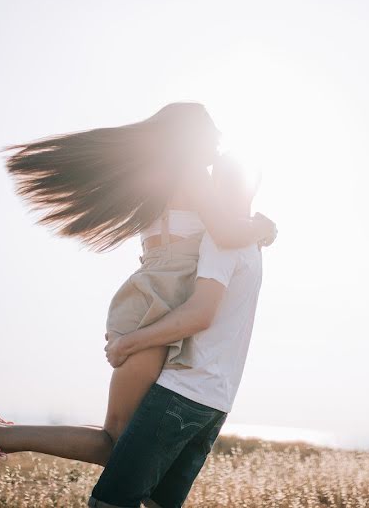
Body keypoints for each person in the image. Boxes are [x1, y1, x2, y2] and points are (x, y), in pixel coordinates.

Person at [0, 103, 276, 495]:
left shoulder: (166, 178)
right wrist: (261, 227)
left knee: (119, 441)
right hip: (155, 307)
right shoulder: (190, 174)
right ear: (191, 136)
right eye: (213, 130)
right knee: (119, 445)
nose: (220, 140)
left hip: (151, 304)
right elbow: (224, 229)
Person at [90, 154, 266, 508]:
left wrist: (128, 342)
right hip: (216, 403)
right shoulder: (250, 244)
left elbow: (200, 314)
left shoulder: (222, 239)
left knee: (110, 494)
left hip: (182, 392)